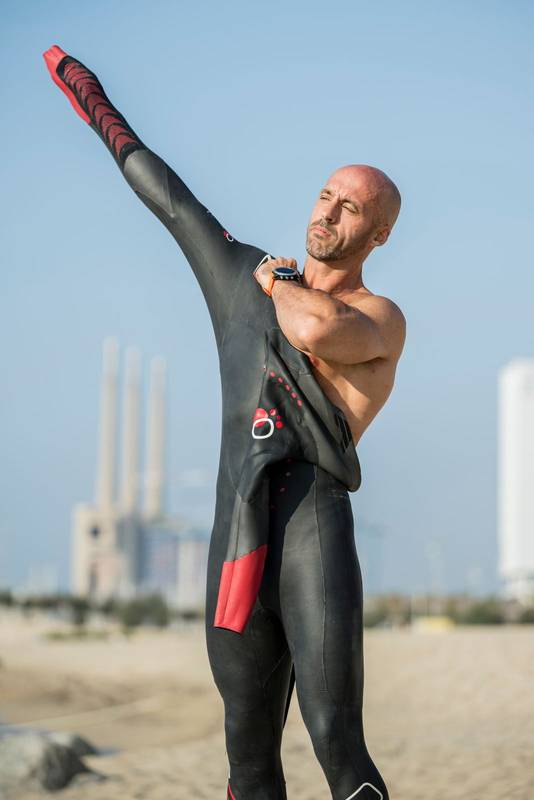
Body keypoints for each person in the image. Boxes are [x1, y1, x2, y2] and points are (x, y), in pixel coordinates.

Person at [43, 44, 406, 800]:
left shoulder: (378, 318)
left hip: (313, 523)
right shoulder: (241, 276)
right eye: (325, 196)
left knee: (338, 741)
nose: (328, 212)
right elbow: (164, 193)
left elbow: (311, 331)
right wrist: (87, 92)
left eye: (351, 208)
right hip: (235, 532)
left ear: (379, 235)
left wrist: (273, 277)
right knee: (246, 757)